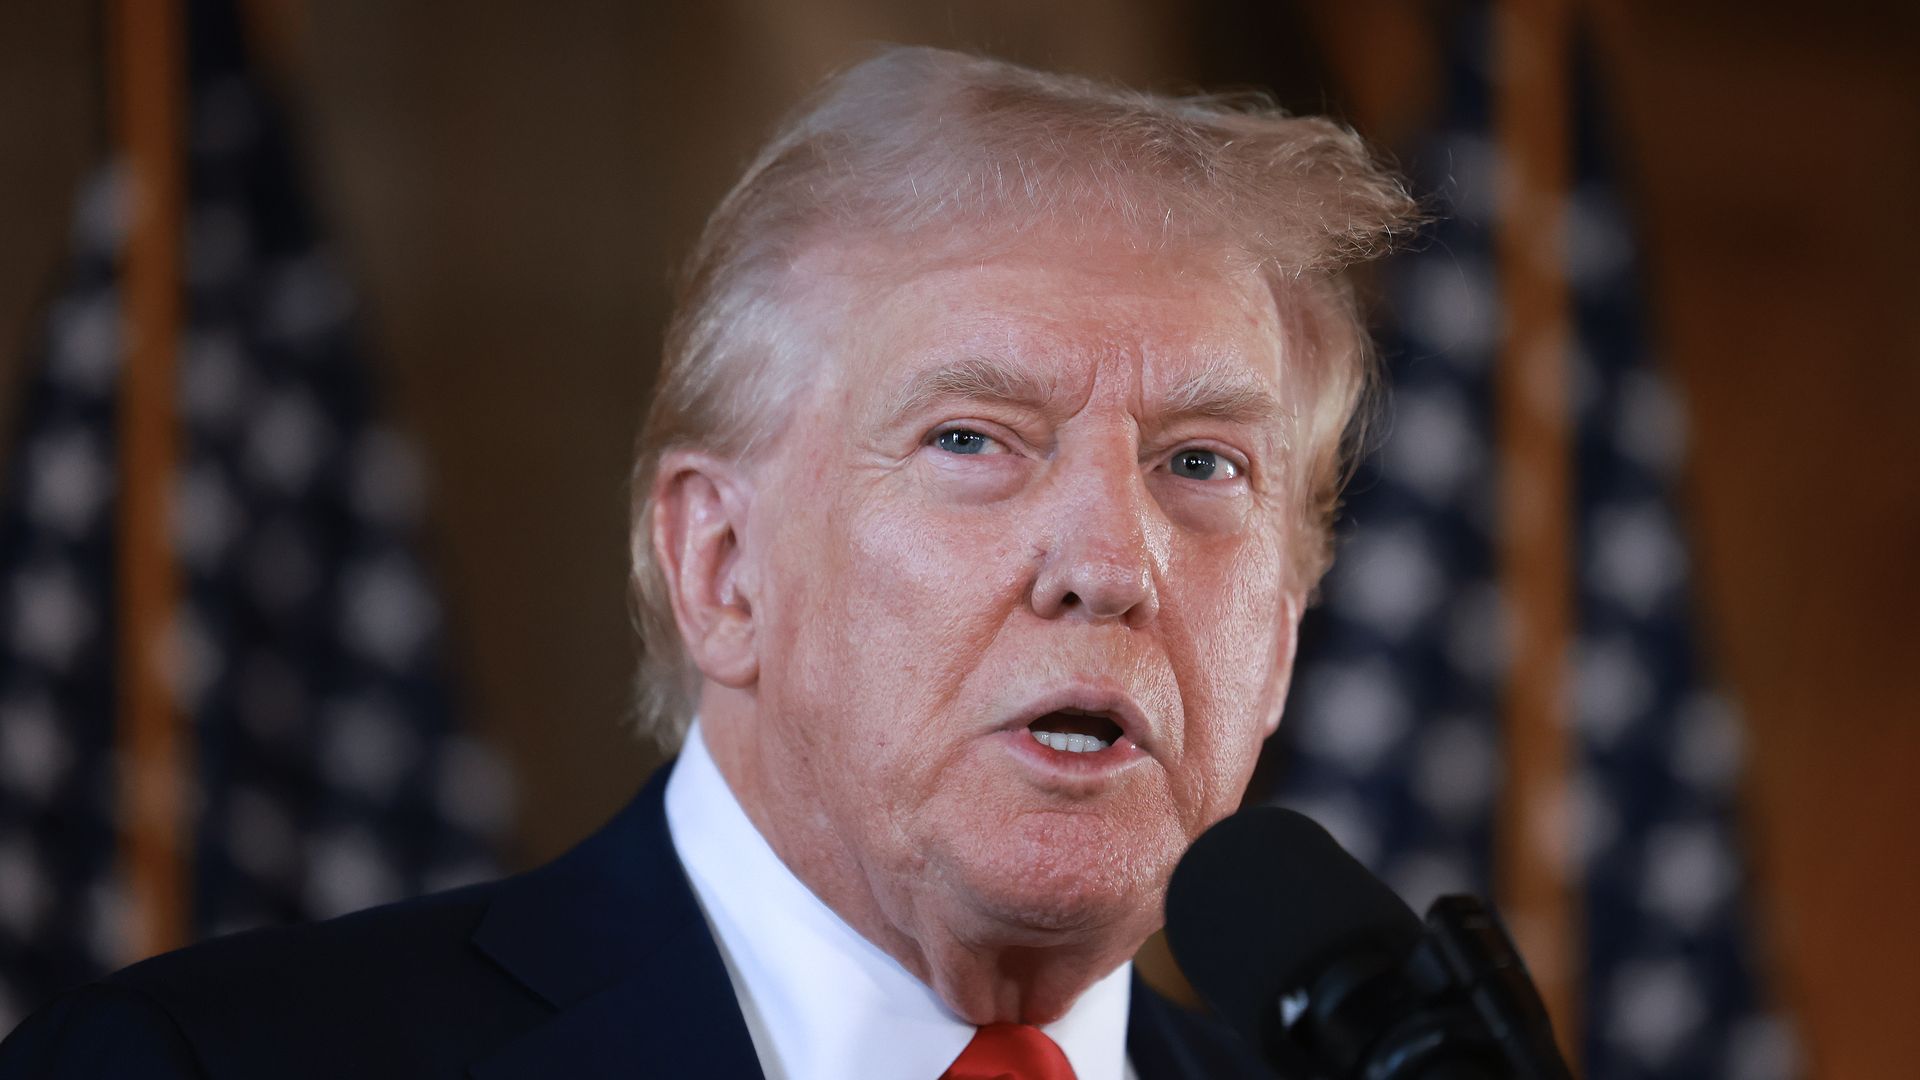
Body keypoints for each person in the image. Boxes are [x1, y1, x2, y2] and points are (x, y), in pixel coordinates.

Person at [0, 46, 1417, 1079]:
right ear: (722, 568)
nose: (1113, 563)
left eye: (1203, 465)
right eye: (976, 440)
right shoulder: (204, 1067)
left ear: (1282, 639)